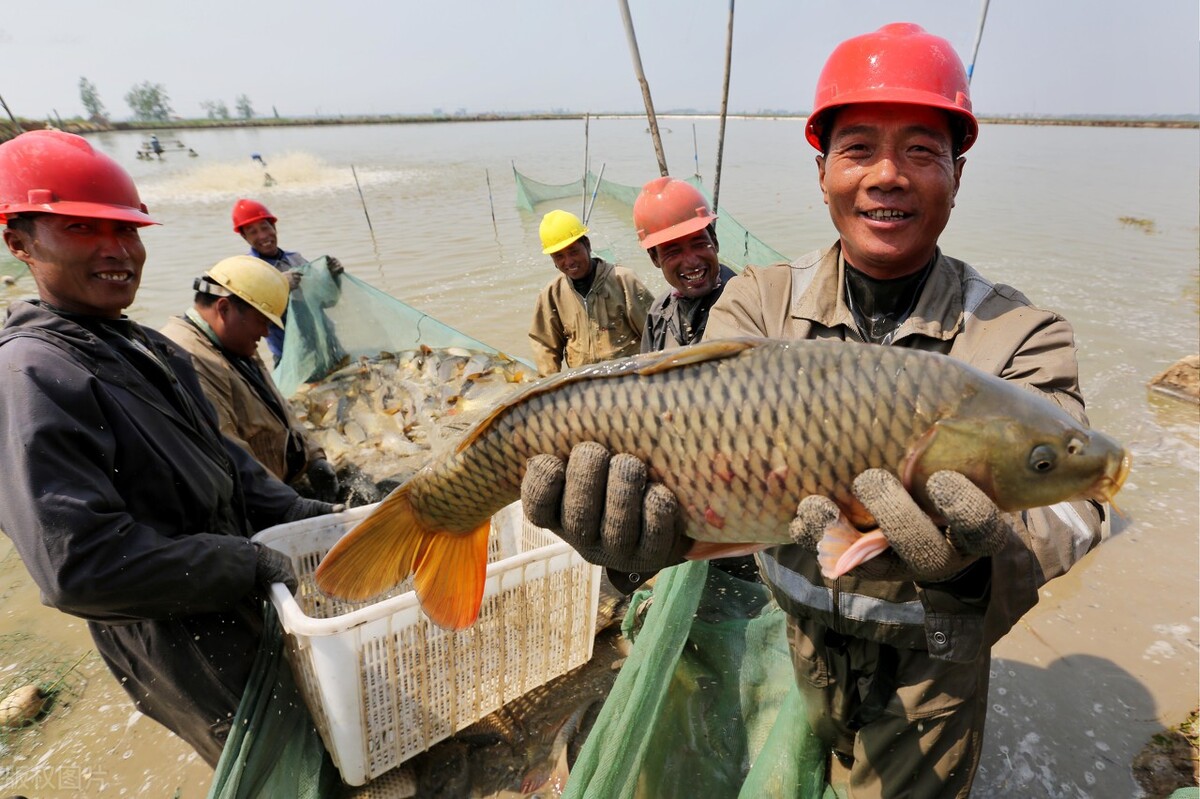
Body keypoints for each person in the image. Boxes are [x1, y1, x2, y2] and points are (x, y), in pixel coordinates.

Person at [520, 23, 1106, 797]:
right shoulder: (757, 304)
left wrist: (975, 568)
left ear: (958, 174)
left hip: (931, 671)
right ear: (822, 170)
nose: (887, 175)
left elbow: (1079, 504)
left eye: (922, 151)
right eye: (859, 148)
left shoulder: (1018, 336)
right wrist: (638, 541)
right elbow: (701, 478)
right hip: (803, 644)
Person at [0, 129, 343, 768]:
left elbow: (228, 465)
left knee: (317, 729)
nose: (117, 251)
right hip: (184, 643)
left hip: (238, 596)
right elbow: (81, 568)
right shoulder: (30, 377)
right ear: (19, 241)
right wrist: (253, 564)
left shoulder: (141, 345)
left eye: (128, 232)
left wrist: (316, 522)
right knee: (278, 765)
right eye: (81, 229)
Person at [160, 255, 341, 502]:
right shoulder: (188, 359)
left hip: (281, 487)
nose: (266, 332)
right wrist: (293, 506)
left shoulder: (232, 340)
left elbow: (280, 407)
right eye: (262, 322)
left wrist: (314, 457)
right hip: (262, 503)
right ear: (224, 308)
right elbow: (230, 459)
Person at [528, 209, 654, 376]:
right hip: (583, 386)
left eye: (573, 251)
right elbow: (544, 345)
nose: (569, 261)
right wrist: (550, 385)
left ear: (587, 244)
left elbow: (654, 334)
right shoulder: (552, 294)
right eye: (559, 256)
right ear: (553, 259)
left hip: (629, 380)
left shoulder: (623, 280)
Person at [231, 197, 344, 366]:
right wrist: (279, 286)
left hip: (327, 344)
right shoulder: (250, 270)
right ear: (244, 237)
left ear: (274, 227)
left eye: (265, 227)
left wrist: (334, 278)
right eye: (253, 231)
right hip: (290, 357)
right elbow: (250, 318)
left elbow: (328, 301)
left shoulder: (296, 259)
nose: (262, 236)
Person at [634, 176, 738, 354]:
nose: (692, 261)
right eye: (673, 252)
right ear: (655, 258)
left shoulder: (746, 303)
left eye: (698, 244)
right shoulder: (659, 314)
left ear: (714, 241)